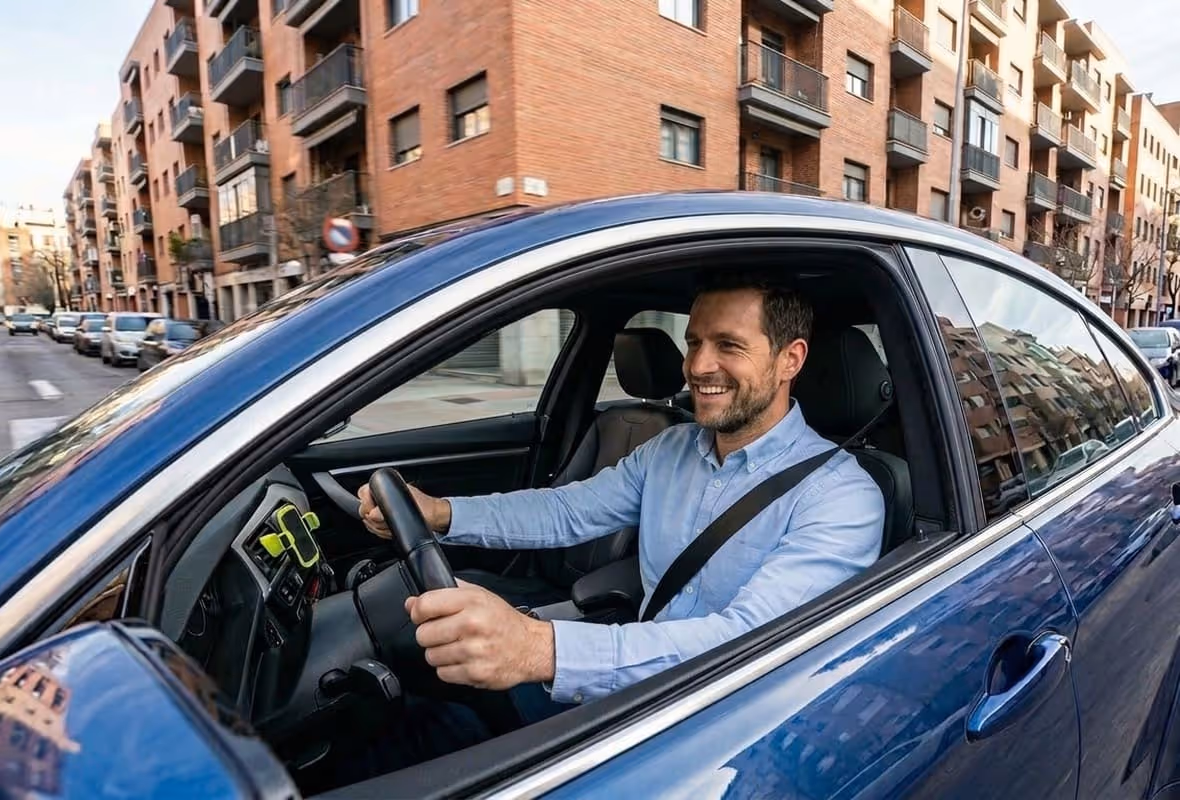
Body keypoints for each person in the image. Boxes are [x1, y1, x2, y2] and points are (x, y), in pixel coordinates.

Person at [351, 273, 885, 768]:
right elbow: (565, 511)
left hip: (715, 723)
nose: (698, 366)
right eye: (694, 341)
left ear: (790, 360)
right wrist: (442, 514)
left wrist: (538, 649)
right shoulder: (671, 448)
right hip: (631, 677)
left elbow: (745, 642)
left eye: (728, 345)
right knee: (414, 722)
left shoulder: (840, 495)